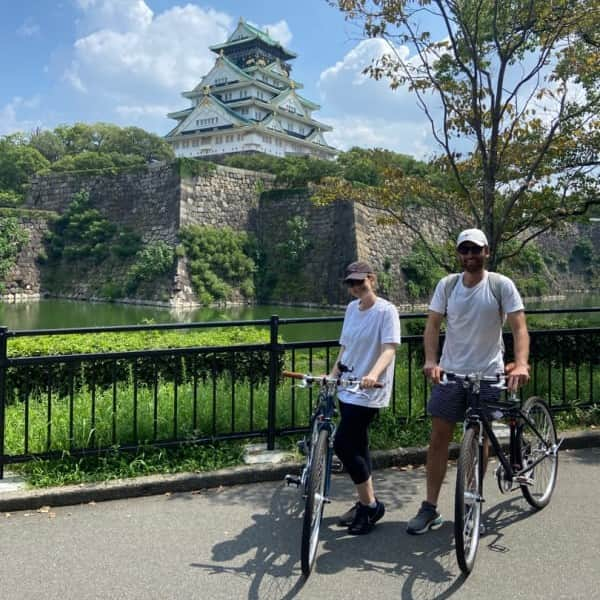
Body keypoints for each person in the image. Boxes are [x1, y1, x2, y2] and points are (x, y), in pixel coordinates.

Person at [406, 228, 530, 535]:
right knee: (438, 438)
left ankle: (471, 500)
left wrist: (522, 363)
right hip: (452, 372)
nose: (470, 256)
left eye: (476, 250)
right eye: (465, 250)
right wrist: (431, 361)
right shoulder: (447, 285)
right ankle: (430, 507)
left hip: (488, 372)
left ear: (487, 251)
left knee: (480, 440)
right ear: (458, 253)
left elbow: (519, 327)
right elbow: (433, 325)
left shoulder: (500, 285)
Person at [329, 261, 401, 535]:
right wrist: (333, 373)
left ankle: (370, 505)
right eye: (351, 283)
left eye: (361, 281)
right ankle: (364, 503)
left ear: (372, 279)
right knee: (358, 445)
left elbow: (389, 349)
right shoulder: (351, 309)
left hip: (369, 389)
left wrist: (372, 374)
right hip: (347, 385)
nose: (357, 287)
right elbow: (345, 348)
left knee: (344, 444)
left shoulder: (386, 310)